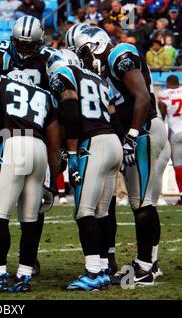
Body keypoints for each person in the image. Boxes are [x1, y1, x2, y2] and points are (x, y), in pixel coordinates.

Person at [73, 25, 166, 286]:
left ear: (97, 45)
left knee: (141, 202)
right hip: (133, 135)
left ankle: (146, 267)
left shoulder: (119, 54)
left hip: (144, 131)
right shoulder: (102, 71)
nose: (82, 58)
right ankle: (149, 263)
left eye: (83, 52)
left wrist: (132, 135)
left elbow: (142, 96)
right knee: (136, 201)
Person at [0, 67, 60, 294]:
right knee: (30, 219)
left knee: (0, 216)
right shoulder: (44, 95)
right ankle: (24, 277)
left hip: (14, 144)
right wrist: (53, 180)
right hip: (39, 149)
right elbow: (54, 143)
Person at [47, 49, 123, 291]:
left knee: (84, 212)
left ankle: (92, 272)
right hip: (113, 141)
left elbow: (70, 112)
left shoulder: (64, 74)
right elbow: (114, 117)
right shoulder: (99, 79)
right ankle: (101, 269)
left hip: (92, 144)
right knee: (101, 213)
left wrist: (70, 153)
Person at [158, 75, 182, 205]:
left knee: (178, 165)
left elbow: (162, 114)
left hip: (176, 131)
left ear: (167, 83)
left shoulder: (164, 93)